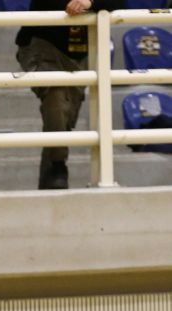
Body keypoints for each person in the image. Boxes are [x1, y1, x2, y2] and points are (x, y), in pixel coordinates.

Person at [16, 0, 123, 189]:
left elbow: (119, 1)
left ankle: (51, 187)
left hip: (80, 49)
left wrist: (88, 1)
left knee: (61, 118)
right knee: (55, 95)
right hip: (42, 42)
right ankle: (58, 166)